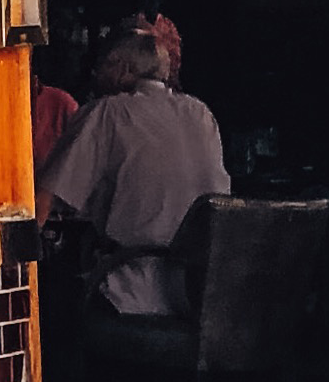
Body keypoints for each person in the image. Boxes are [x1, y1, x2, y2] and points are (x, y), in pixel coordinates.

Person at [38, 24, 228, 319]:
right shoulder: (200, 112)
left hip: (133, 289)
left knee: (50, 305)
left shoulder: (108, 113)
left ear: (122, 69)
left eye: (101, 66)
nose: (94, 75)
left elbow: (44, 200)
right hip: (201, 293)